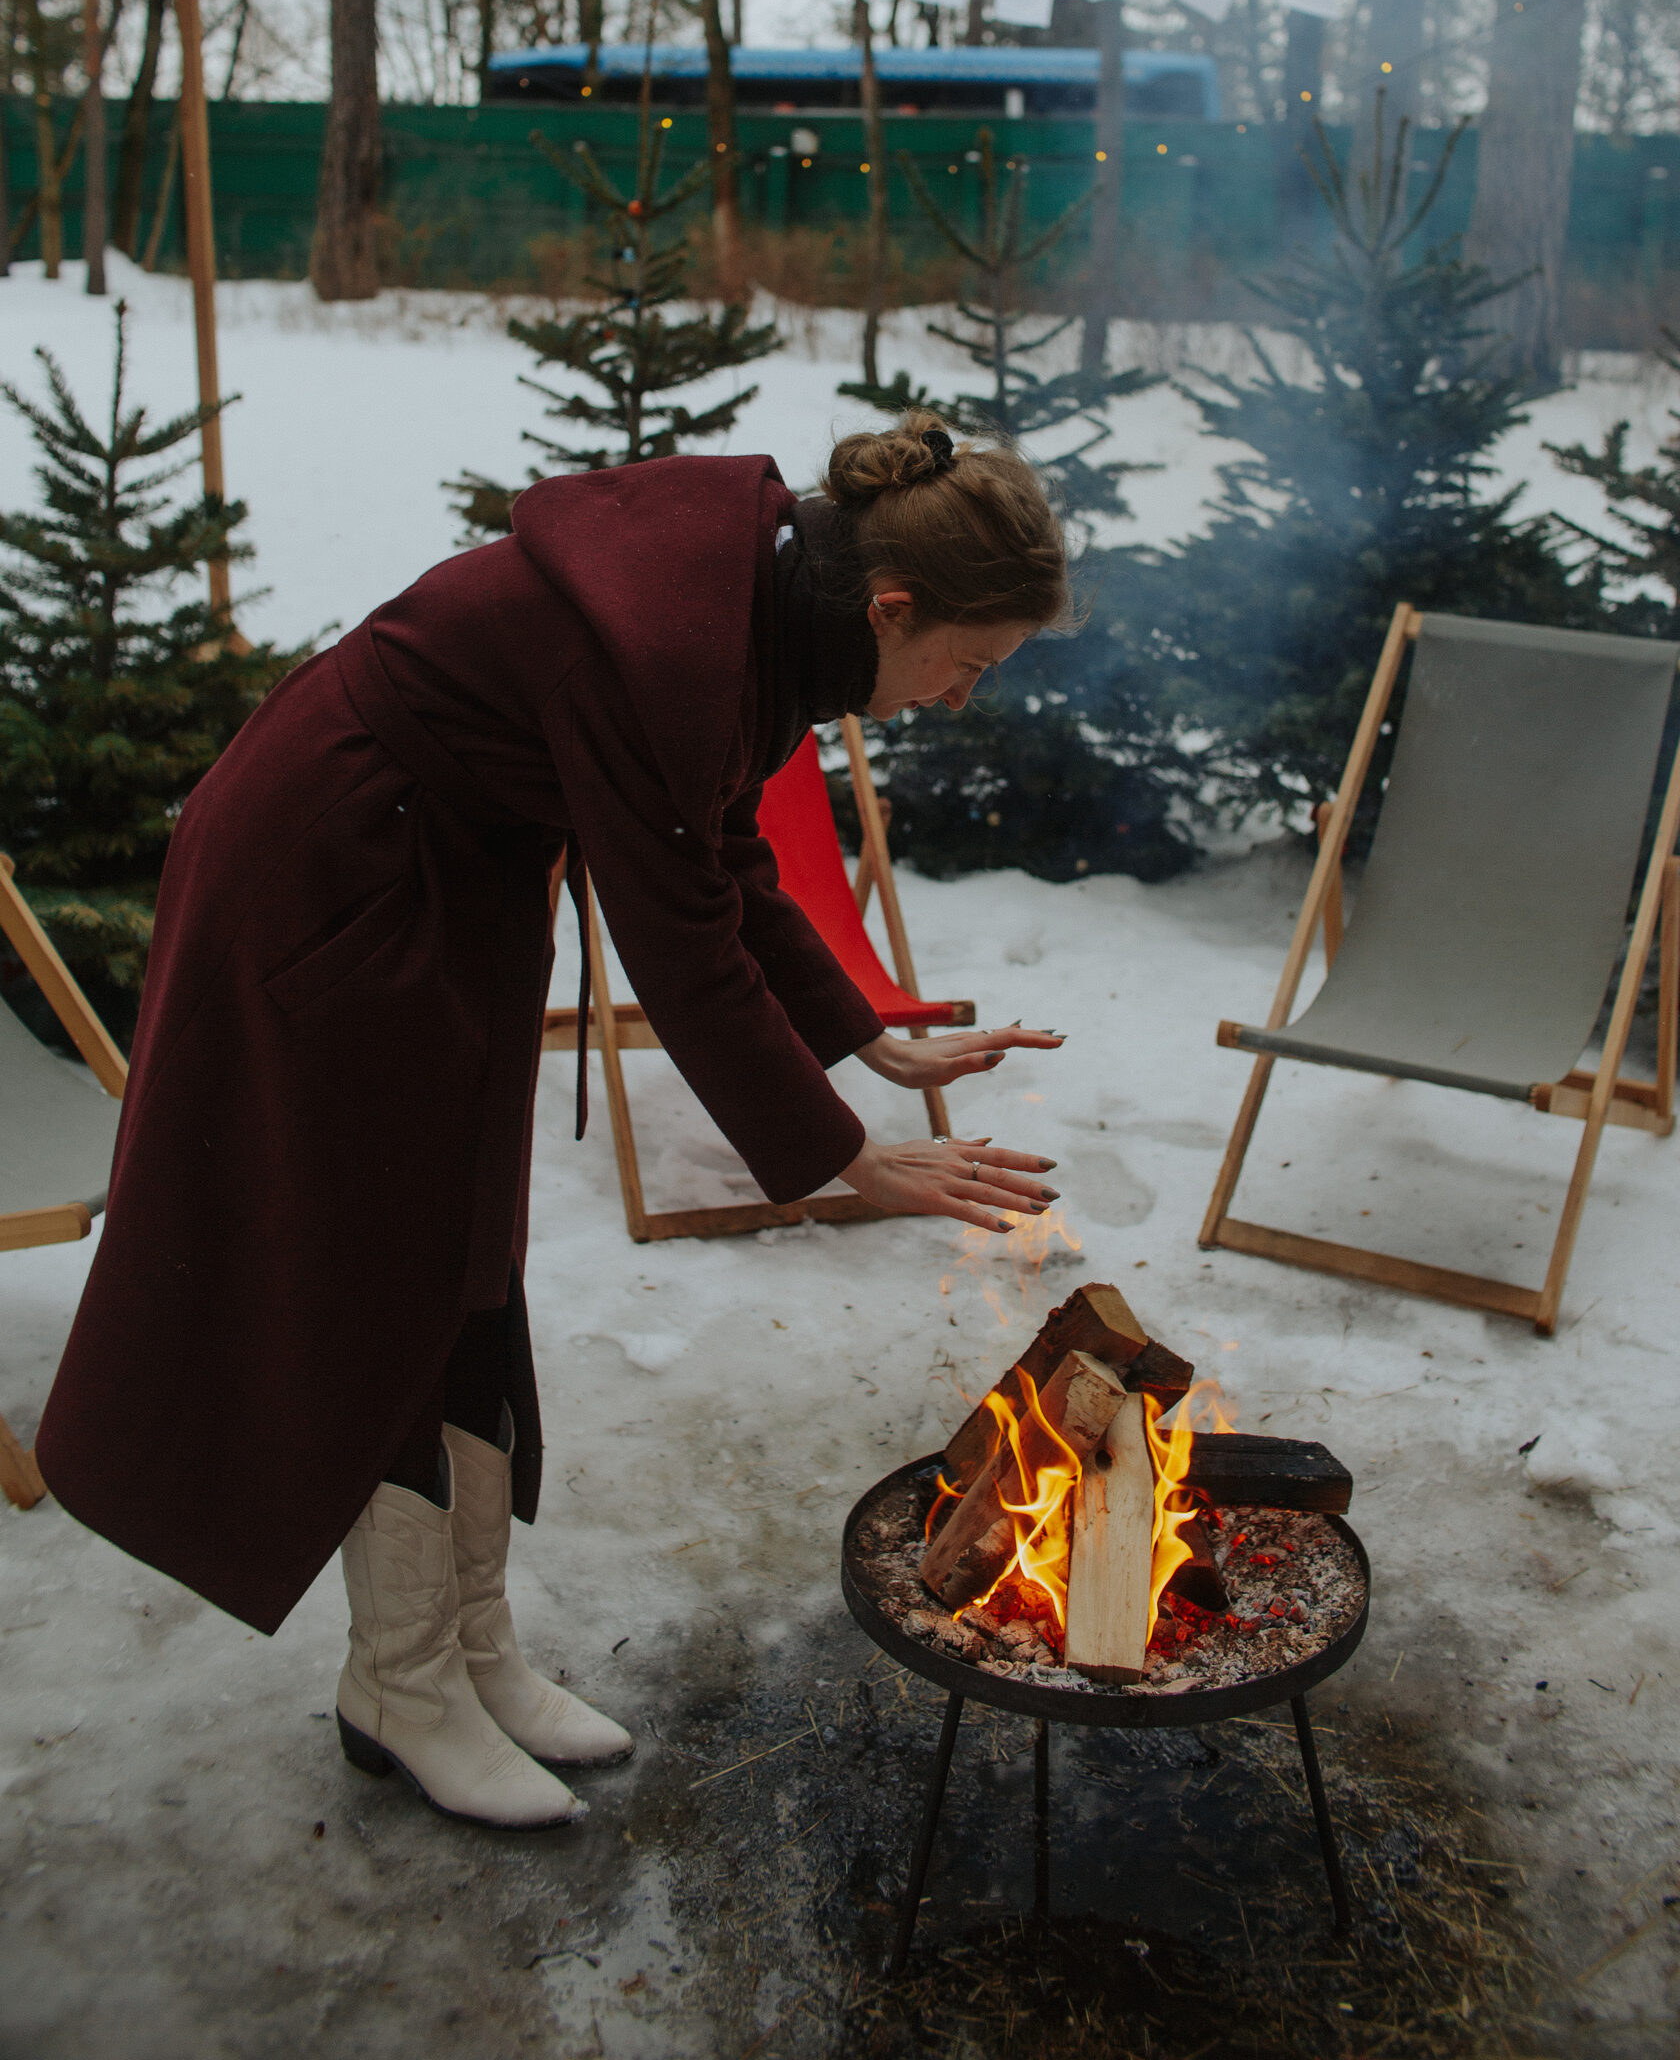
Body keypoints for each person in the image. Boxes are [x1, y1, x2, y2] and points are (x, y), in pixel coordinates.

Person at [37, 411, 1069, 1832]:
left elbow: (719, 841)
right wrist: (843, 1158)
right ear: (893, 607)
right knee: (387, 1272)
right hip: (330, 880)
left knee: (469, 1257)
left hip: (442, 878)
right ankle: (397, 1683)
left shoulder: (776, 595)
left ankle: (468, 1653)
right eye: (970, 665)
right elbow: (683, 947)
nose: (963, 696)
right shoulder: (676, 639)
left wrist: (856, 1030)